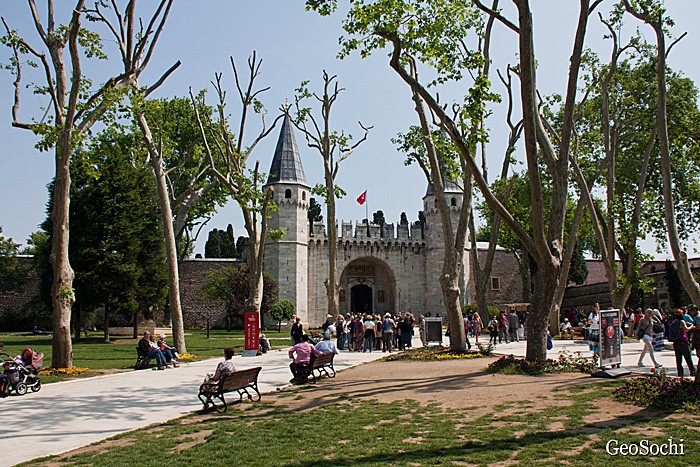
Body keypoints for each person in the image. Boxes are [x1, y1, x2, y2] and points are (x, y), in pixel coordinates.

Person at [668, 309, 695, 377]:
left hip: (676, 341)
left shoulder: (673, 322)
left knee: (678, 358)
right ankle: (692, 371)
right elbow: (686, 329)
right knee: (688, 357)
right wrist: (691, 326)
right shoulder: (681, 321)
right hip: (683, 340)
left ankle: (680, 372)